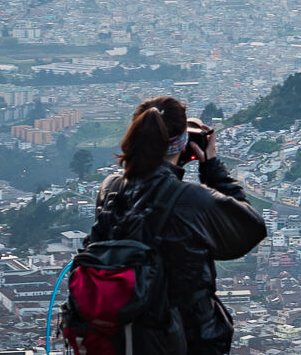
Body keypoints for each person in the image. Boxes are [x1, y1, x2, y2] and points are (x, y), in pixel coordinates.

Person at [86, 95, 266, 354]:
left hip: (122, 336)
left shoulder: (111, 190)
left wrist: (174, 163)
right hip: (185, 339)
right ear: (183, 143)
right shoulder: (194, 201)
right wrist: (212, 169)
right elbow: (249, 229)